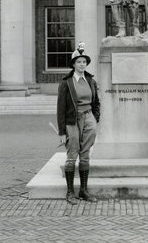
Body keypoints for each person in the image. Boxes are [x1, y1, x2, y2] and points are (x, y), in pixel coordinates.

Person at [57, 42, 100, 204]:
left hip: (89, 118)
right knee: (72, 154)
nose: (82, 64)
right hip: (72, 121)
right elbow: (61, 108)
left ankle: (83, 190)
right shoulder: (66, 82)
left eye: (84, 62)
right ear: (73, 64)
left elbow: (96, 101)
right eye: (79, 62)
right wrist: (62, 132)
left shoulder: (90, 80)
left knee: (85, 154)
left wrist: (95, 118)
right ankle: (70, 192)